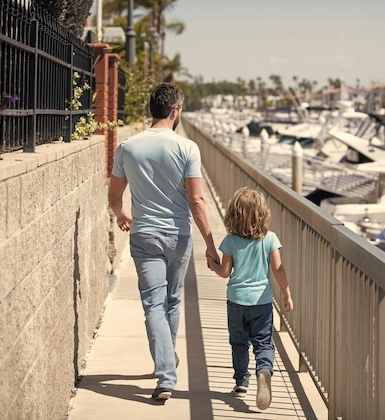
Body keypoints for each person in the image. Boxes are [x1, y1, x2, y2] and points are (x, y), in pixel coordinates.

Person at [108, 83, 219, 401]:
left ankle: (165, 368)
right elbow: (197, 200)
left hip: (144, 235)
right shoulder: (187, 148)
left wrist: (120, 213)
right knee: (171, 301)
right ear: (175, 111)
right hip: (178, 236)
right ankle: (166, 368)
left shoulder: (128, 148)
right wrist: (210, 244)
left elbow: (114, 194)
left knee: (154, 305)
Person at [207, 187, 293, 410]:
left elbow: (225, 272)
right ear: (263, 214)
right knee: (263, 343)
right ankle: (263, 371)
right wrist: (286, 293)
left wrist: (213, 265)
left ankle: (241, 383)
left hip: (236, 300)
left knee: (239, 343)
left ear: (233, 214)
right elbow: (278, 269)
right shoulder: (270, 239)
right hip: (262, 302)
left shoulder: (230, 241)